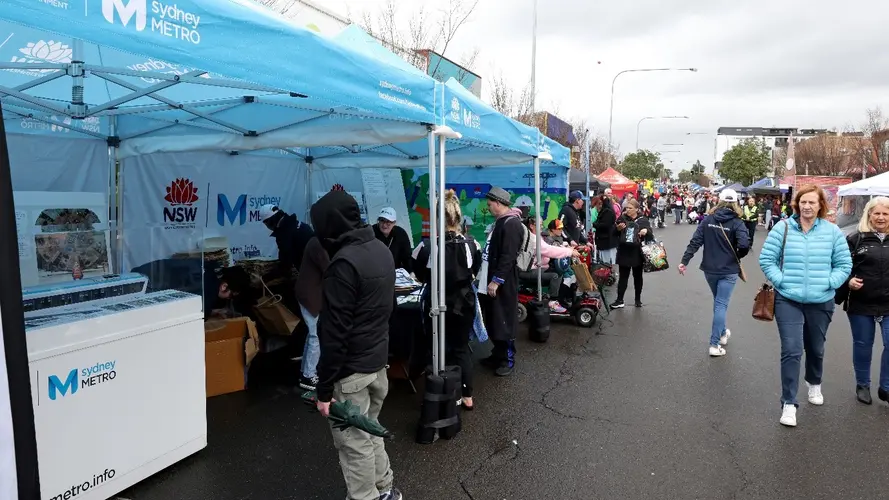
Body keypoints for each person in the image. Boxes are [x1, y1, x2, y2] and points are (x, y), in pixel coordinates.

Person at [310, 191, 400, 500]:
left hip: (351, 374)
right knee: (370, 429)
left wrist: (323, 390)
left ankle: (366, 497)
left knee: (354, 443)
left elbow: (334, 336)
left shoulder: (343, 264)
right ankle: (385, 489)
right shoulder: (380, 249)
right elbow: (390, 308)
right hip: (377, 363)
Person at [759, 185, 852, 428]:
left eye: (812, 202)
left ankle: (814, 382)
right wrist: (781, 281)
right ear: (796, 204)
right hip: (787, 299)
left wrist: (829, 283)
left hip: (821, 301)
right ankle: (789, 403)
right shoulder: (783, 227)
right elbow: (766, 259)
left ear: (821, 205)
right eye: (803, 202)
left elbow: (844, 264)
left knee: (816, 348)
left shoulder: (832, 232)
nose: (807, 206)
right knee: (791, 349)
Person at [412, 190, 481, 409]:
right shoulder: (473, 244)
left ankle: (438, 393)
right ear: (459, 219)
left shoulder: (426, 246)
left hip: (436, 303)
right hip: (464, 304)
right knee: (461, 349)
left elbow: (418, 275)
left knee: (436, 347)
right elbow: (476, 272)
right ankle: (467, 395)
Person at [677, 189, 750, 357]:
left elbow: (695, 241)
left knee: (719, 303)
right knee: (721, 304)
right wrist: (737, 256)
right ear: (736, 203)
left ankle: (722, 333)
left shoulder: (708, 219)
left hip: (709, 269)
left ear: (719, 201)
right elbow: (744, 245)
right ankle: (714, 343)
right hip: (728, 269)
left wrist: (684, 261)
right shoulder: (737, 222)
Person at [839, 196, 889, 406]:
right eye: (876, 213)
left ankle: (886, 387)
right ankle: (863, 385)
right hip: (861, 303)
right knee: (863, 345)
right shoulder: (855, 239)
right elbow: (841, 267)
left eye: (885, 213)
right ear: (869, 214)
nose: (881, 217)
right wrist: (849, 281)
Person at [478, 187, 525, 377]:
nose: (488, 208)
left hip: (503, 282)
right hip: (493, 278)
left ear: (498, 203)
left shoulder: (511, 224)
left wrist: (496, 281)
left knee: (503, 319)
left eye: (490, 205)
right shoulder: (502, 222)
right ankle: (497, 354)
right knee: (494, 318)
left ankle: (507, 357)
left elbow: (508, 256)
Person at [518, 217, 580, 312]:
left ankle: (561, 299)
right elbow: (549, 250)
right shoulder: (533, 239)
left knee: (560, 273)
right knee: (556, 275)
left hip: (537, 268)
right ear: (531, 226)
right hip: (528, 270)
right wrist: (569, 252)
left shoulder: (537, 237)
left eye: (542, 224)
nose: (542, 227)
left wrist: (567, 249)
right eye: (539, 225)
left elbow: (550, 248)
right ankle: (552, 302)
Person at [295, 236, 330, 391]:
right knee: (315, 335)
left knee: (312, 334)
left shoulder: (315, 240)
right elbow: (329, 269)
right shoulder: (318, 243)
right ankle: (308, 376)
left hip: (307, 293)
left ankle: (305, 371)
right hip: (310, 296)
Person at [611, 200, 654, 309]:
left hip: (637, 253)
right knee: (623, 277)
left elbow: (650, 234)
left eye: (630, 208)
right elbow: (613, 233)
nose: (627, 210)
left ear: (636, 209)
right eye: (626, 208)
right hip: (624, 251)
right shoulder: (621, 218)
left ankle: (638, 299)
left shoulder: (642, 220)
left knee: (637, 277)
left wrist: (645, 231)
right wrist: (617, 229)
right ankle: (619, 300)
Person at [260, 204, 315, 282]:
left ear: (270, 221)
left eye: (266, 223)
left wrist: (266, 277)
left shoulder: (284, 235)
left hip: (311, 272)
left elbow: (285, 265)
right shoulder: (295, 224)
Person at [372, 207, 413, 272]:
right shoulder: (371, 232)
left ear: (394, 223)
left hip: (395, 272)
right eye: (382, 220)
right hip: (375, 272)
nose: (384, 225)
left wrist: (410, 273)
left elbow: (407, 257)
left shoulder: (401, 233)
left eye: (388, 222)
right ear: (378, 221)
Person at [593, 193, 618, 266]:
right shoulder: (608, 210)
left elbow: (605, 225)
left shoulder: (607, 211)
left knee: (606, 261)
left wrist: (595, 224)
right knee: (607, 260)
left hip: (606, 240)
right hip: (607, 240)